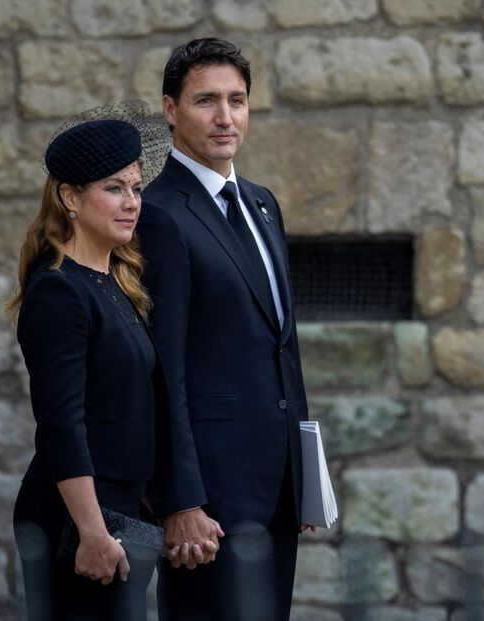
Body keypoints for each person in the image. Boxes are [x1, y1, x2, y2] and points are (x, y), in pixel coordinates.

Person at [137, 38, 311, 621]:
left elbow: (282, 350)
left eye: (237, 100)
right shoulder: (159, 213)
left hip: (277, 490)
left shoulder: (262, 204)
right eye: (205, 100)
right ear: (170, 110)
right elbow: (164, 370)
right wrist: (180, 500)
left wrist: (306, 474)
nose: (224, 117)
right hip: (209, 503)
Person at [9, 105, 172, 621]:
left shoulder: (118, 284)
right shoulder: (59, 288)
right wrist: (92, 531)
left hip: (121, 513)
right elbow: (62, 423)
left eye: (136, 188)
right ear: (70, 197)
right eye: (113, 189)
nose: (131, 203)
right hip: (78, 520)